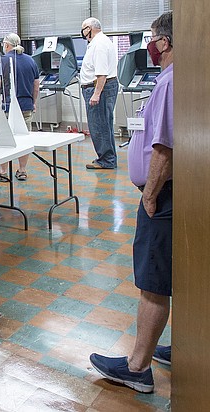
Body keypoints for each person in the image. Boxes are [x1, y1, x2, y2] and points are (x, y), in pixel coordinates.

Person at [89, 11, 173, 393]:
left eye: (153, 38)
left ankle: (137, 368)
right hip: (171, 193)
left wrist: (151, 195)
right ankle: (186, 345)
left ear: (164, 42)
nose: (150, 45)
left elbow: (164, 148)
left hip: (164, 197)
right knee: (176, 274)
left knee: (153, 281)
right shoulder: (175, 79)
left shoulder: (172, 81)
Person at [0, 33, 40, 182]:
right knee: (24, 140)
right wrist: (33, 102)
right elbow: (36, 85)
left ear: (6, 45)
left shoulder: (1, 61)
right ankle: (22, 170)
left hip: (7, 107)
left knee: (3, 140)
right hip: (26, 106)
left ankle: (3, 171)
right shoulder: (31, 61)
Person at [79, 17, 119, 170]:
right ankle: (108, 158)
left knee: (99, 126)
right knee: (104, 125)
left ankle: (107, 160)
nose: (82, 32)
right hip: (101, 87)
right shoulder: (97, 42)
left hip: (99, 88)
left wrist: (96, 94)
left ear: (90, 28)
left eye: (84, 28)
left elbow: (101, 74)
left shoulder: (100, 44)